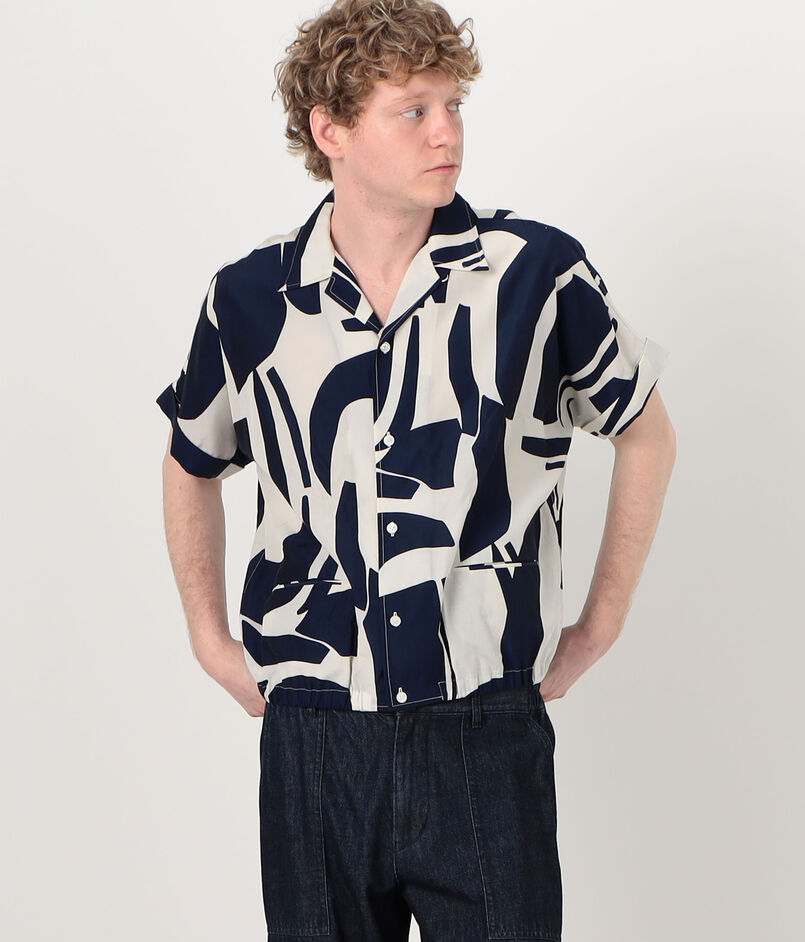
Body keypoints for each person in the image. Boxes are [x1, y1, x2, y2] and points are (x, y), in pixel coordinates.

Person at [156, 1, 676, 939]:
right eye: (413, 110)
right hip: (315, 732)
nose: (447, 134)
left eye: (453, 106)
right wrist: (206, 635)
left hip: (485, 728)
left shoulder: (537, 275)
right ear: (331, 131)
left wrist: (600, 622)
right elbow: (192, 460)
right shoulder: (249, 298)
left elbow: (644, 431)